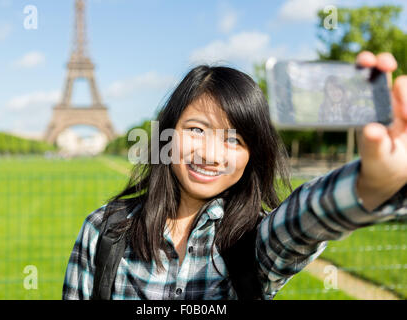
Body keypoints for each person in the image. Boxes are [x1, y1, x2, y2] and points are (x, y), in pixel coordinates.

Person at [62, 51, 407, 300]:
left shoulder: (253, 239)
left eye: (234, 139)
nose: (211, 155)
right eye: (196, 129)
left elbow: (305, 219)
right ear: (167, 135)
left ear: (251, 156)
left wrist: (371, 184)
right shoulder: (103, 231)